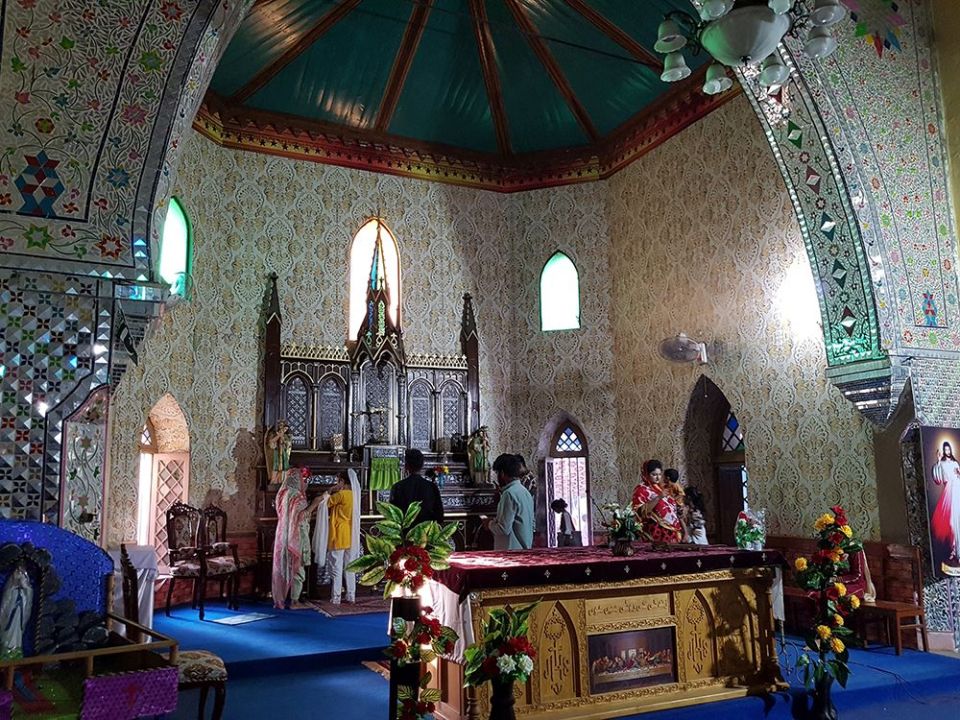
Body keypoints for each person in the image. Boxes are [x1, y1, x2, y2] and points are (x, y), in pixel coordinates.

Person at [273, 467, 322, 609]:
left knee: (284, 567)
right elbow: (302, 516)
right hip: (296, 535)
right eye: (305, 480)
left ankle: (281, 598)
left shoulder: (281, 494)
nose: (305, 484)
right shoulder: (297, 497)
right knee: (297, 568)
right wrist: (315, 503)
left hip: (283, 534)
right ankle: (295, 601)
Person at [315, 470, 361, 604]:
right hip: (350, 533)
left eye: (338, 481)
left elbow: (324, 503)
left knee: (336, 567)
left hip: (338, 533)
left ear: (342, 481)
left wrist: (330, 490)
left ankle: (336, 597)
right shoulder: (355, 495)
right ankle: (351, 595)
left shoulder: (340, 495)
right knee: (350, 566)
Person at [487, 454, 534, 550]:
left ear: (502, 474)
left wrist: (488, 524)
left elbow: (503, 529)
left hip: (510, 551)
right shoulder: (525, 492)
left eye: (497, 473)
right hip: (524, 549)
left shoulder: (509, 494)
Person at [631, 459, 683, 544]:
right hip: (655, 530)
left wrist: (678, 510)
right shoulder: (641, 490)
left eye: (659, 474)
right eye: (654, 475)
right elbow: (639, 512)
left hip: (671, 530)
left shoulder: (662, 488)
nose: (658, 477)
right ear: (646, 474)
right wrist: (658, 497)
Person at [389, 448, 444, 525]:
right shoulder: (432, 487)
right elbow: (439, 515)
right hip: (426, 533)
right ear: (422, 465)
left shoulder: (398, 487)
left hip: (406, 534)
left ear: (406, 466)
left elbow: (393, 515)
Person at [932, 440, 960, 563]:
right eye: (946, 450)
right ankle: (954, 550)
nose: (947, 452)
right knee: (952, 523)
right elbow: (938, 478)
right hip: (950, 492)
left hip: (958, 489)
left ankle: (957, 551)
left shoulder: (955, 463)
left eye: (949, 449)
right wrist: (938, 461)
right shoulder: (942, 464)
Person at [0, 565, 33, 659]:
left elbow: (28, 602)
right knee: (8, 633)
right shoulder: (10, 589)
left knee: (17, 634)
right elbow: (5, 603)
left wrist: (26, 588)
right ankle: (5, 648)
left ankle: (15, 649)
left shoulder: (26, 591)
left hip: (19, 617)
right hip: (10, 616)